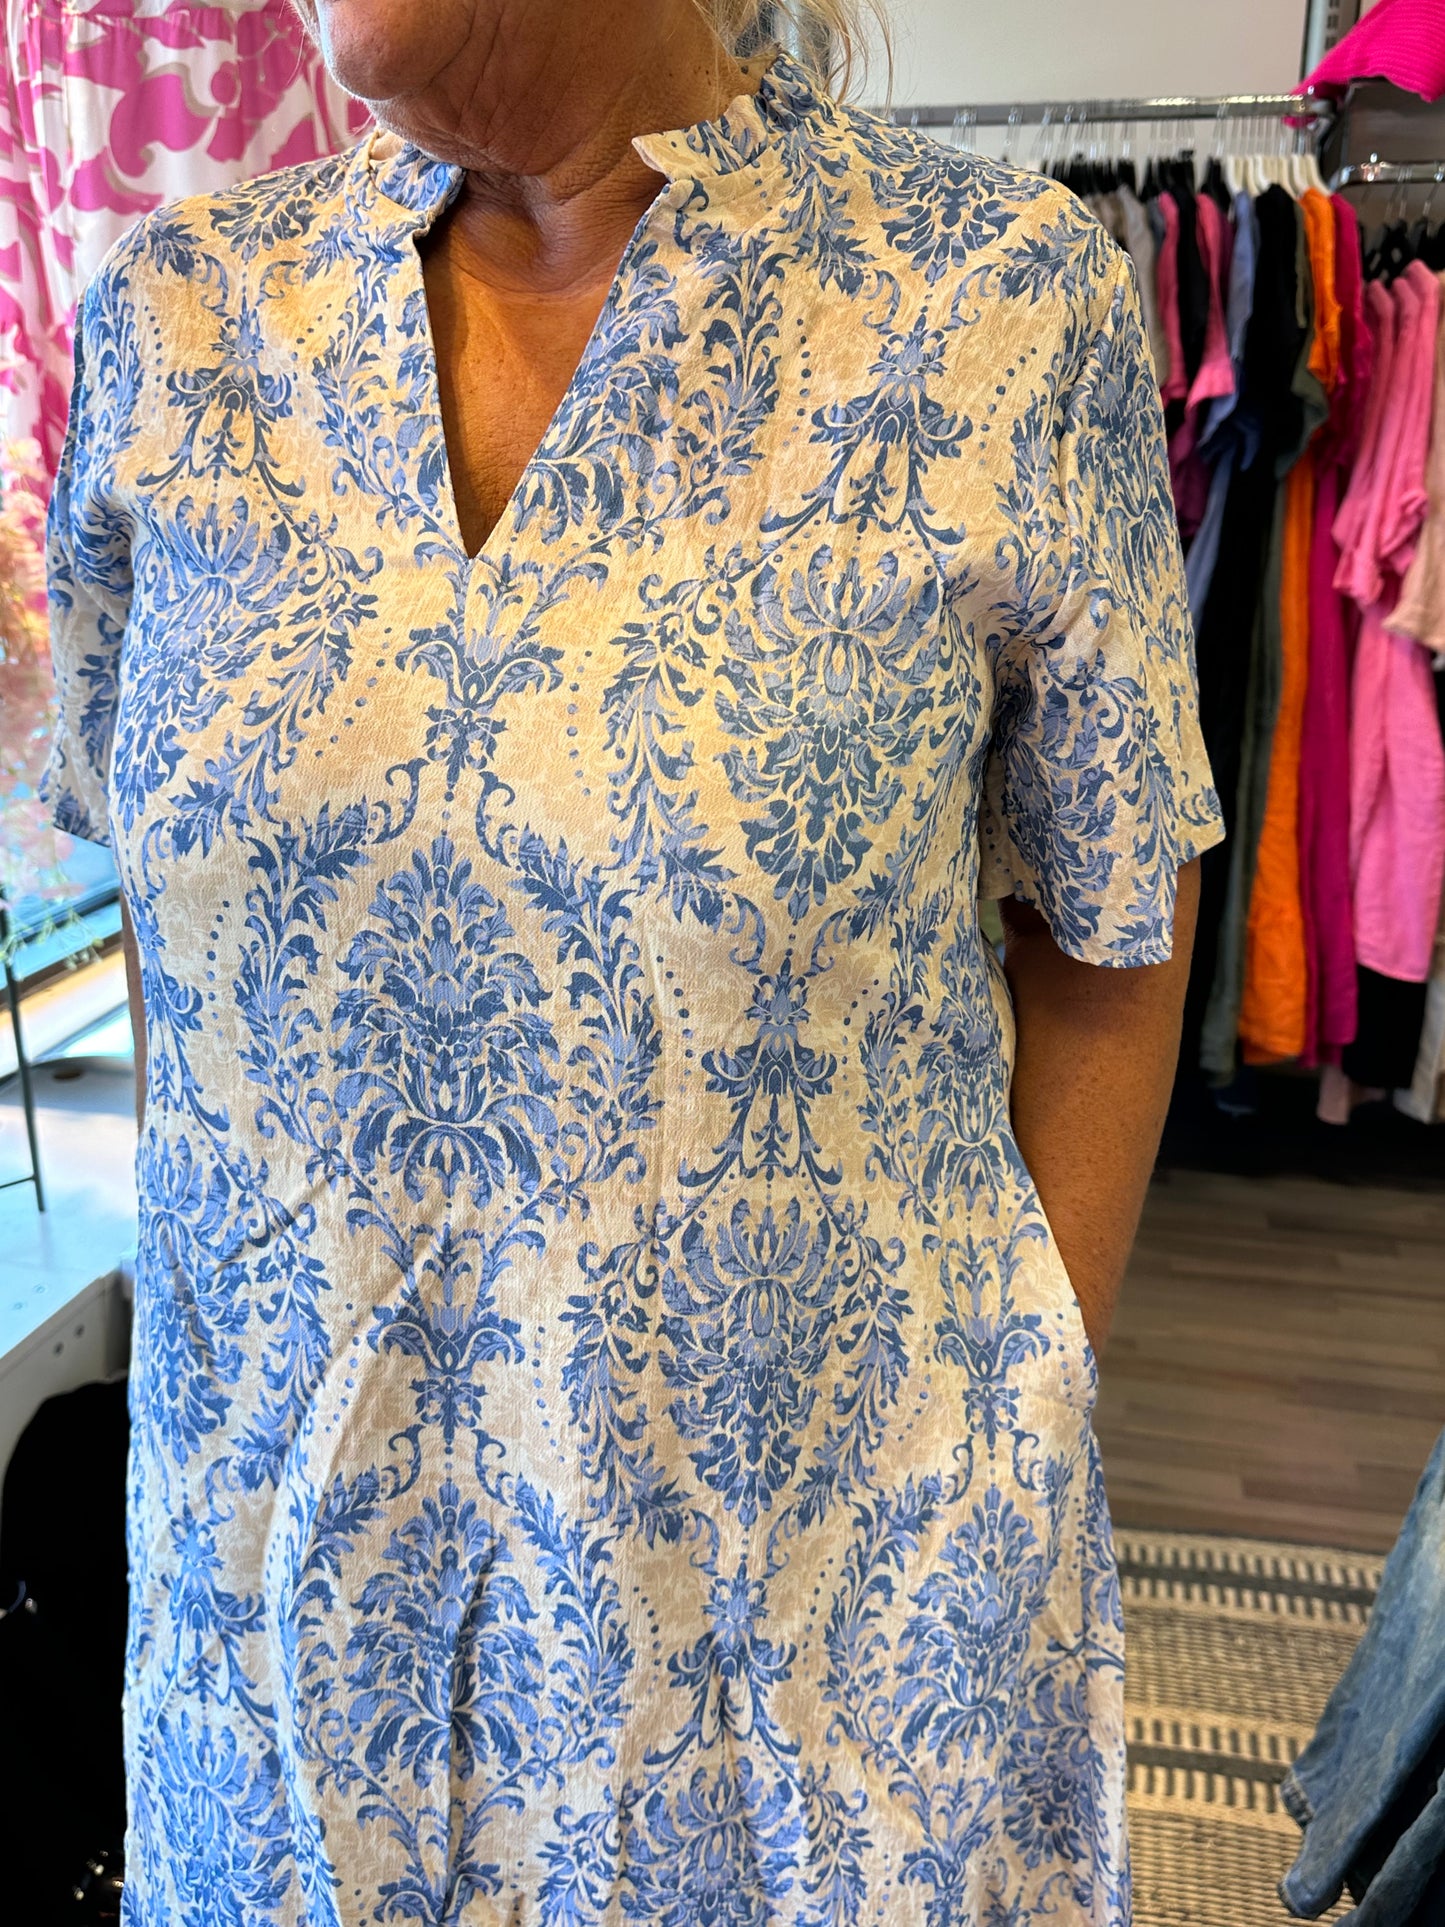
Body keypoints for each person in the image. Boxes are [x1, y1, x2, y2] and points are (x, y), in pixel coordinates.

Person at [41, 1, 1222, 1919]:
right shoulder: (179, 322)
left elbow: (1112, 921)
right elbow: (173, 924)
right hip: (269, 1652)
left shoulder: (993, 302)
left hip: (803, 1667)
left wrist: (1007, 1439)